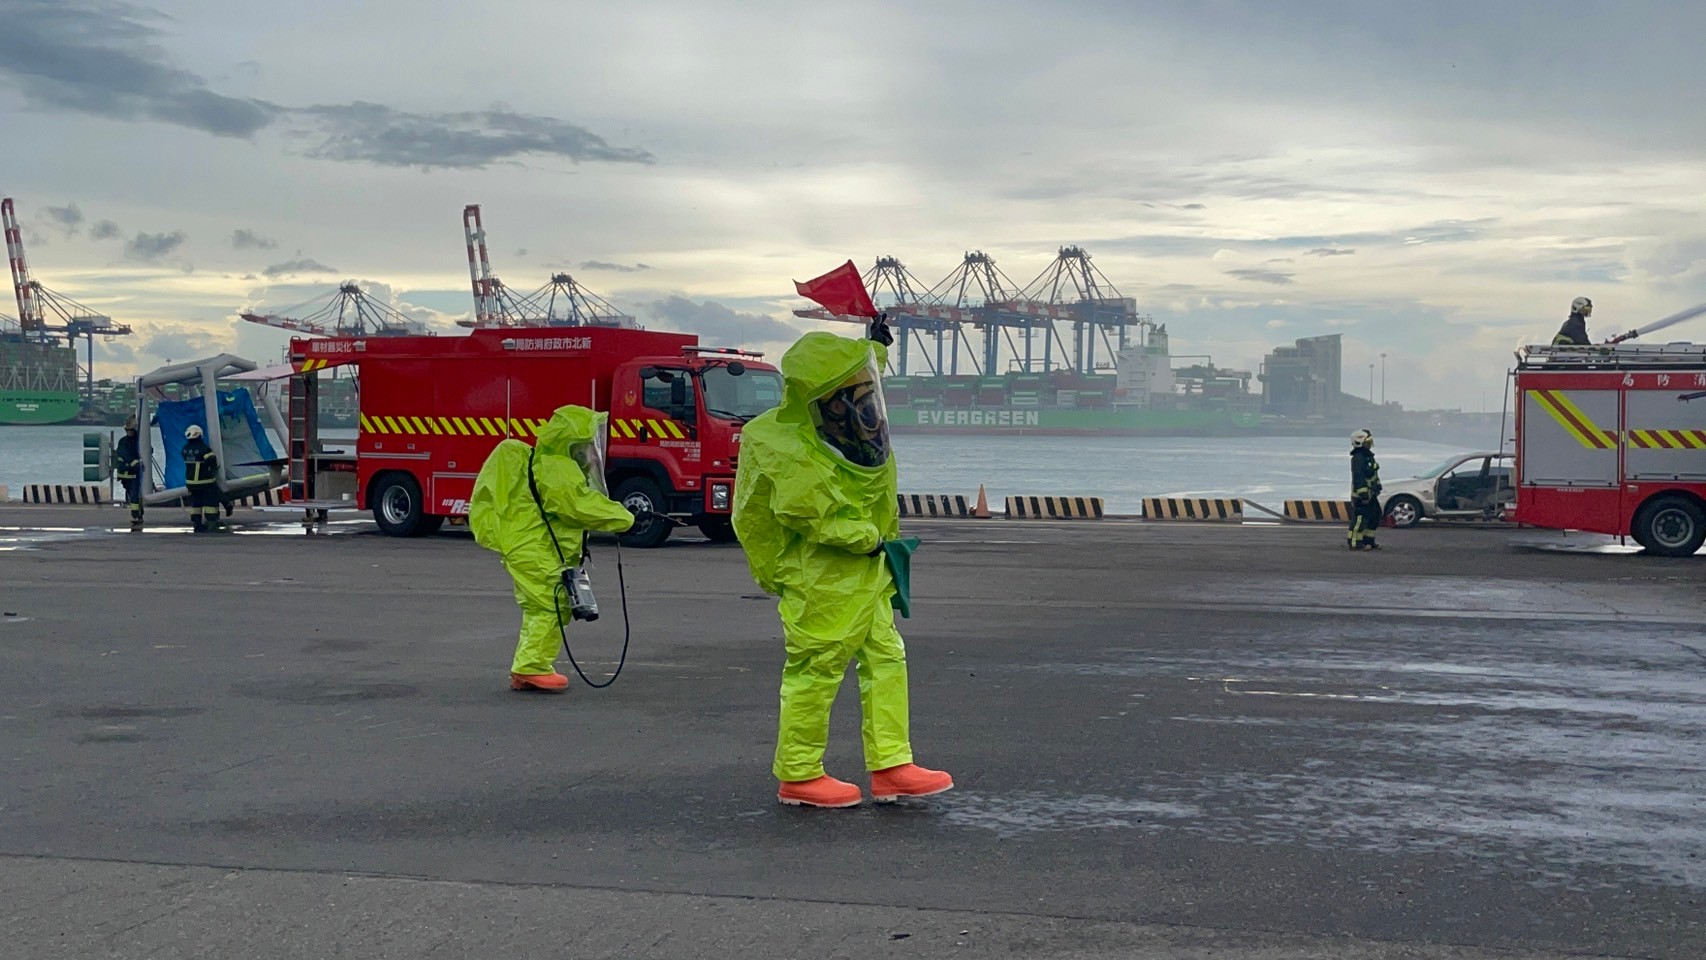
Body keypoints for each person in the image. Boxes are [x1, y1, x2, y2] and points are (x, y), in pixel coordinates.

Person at [732, 321, 953, 809]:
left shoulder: (839, 419)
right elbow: (809, 512)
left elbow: (851, 380)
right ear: (818, 400)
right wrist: (867, 538)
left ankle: (892, 764)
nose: (862, 406)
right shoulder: (782, 445)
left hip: (869, 569)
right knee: (817, 666)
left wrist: (875, 347)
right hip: (822, 575)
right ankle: (800, 773)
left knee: (885, 658)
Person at [469, 405, 638, 693]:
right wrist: (624, 517)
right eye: (585, 444)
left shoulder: (552, 463)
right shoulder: (557, 467)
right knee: (553, 603)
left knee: (540, 605)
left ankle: (526, 668)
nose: (590, 451)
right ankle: (531, 666)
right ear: (571, 442)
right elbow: (575, 506)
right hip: (535, 548)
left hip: (531, 546)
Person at [181, 424, 221, 533]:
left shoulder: (185, 449)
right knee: (210, 502)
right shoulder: (204, 449)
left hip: (190, 482)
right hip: (205, 481)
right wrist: (213, 469)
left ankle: (197, 523)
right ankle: (211, 522)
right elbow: (212, 461)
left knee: (196, 503)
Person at [1348, 428, 1383, 550]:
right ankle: (1354, 542)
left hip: (1371, 493)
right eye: (1368, 441)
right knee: (1359, 519)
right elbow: (1358, 477)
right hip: (1362, 496)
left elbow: (1373, 474)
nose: (1370, 444)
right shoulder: (1358, 458)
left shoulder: (1368, 457)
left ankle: (1369, 540)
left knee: (1375, 515)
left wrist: (1377, 486)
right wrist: (1363, 494)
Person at [114, 416, 143, 531]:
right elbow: (123, 454)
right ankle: (138, 513)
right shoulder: (123, 442)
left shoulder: (139, 441)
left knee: (135, 495)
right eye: (127, 430)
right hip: (126, 474)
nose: (129, 432)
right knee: (132, 495)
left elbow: (148, 450)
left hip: (135, 474)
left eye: (130, 430)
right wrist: (133, 462)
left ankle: (136, 515)